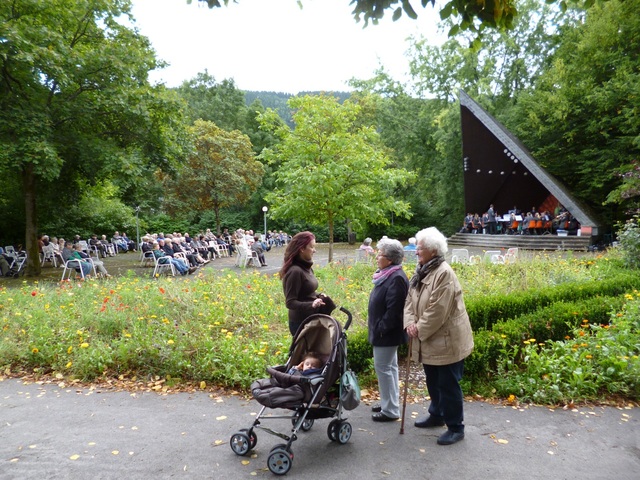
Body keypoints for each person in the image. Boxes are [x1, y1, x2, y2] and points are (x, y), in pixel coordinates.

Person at [404, 227, 474, 446]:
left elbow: (438, 310)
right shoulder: (422, 270)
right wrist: (409, 323)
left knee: (448, 384)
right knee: (433, 381)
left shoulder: (444, 273)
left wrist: (418, 328)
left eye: (420, 248)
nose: (416, 251)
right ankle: (437, 414)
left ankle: (456, 427)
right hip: (430, 339)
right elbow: (409, 300)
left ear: (433, 251)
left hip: (447, 340)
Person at [368, 238, 409, 422]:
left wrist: (380, 328)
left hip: (387, 333)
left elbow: (395, 311)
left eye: (380, 254)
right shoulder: (387, 274)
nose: (377, 256)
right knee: (389, 368)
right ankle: (389, 403)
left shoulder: (396, 278)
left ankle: (390, 410)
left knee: (384, 368)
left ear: (390, 259)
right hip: (384, 331)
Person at [280, 231, 335, 336]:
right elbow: (290, 302)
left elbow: (305, 292)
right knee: (308, 353)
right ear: (302, 249)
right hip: (301, 323)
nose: (315, 250)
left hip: (311, 318)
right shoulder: (295, 271)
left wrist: (318, 296)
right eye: (312, 247)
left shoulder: (306, 268)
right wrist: (311, 304)